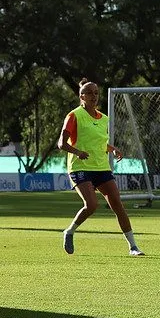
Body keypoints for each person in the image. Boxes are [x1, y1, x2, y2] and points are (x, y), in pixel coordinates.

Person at [58, 78, 144, 256]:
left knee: (118, 206)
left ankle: (133, 247)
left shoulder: (104, 119)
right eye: (89, 93)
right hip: (80, 167)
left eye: (96, 93)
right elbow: (61, 144)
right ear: (81, 96)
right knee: (91, 205)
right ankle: (70, 231)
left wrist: (112, 149)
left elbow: (99, 143)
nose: (93, 96)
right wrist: (78, 152)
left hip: (101, 168)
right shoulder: (74, 116)